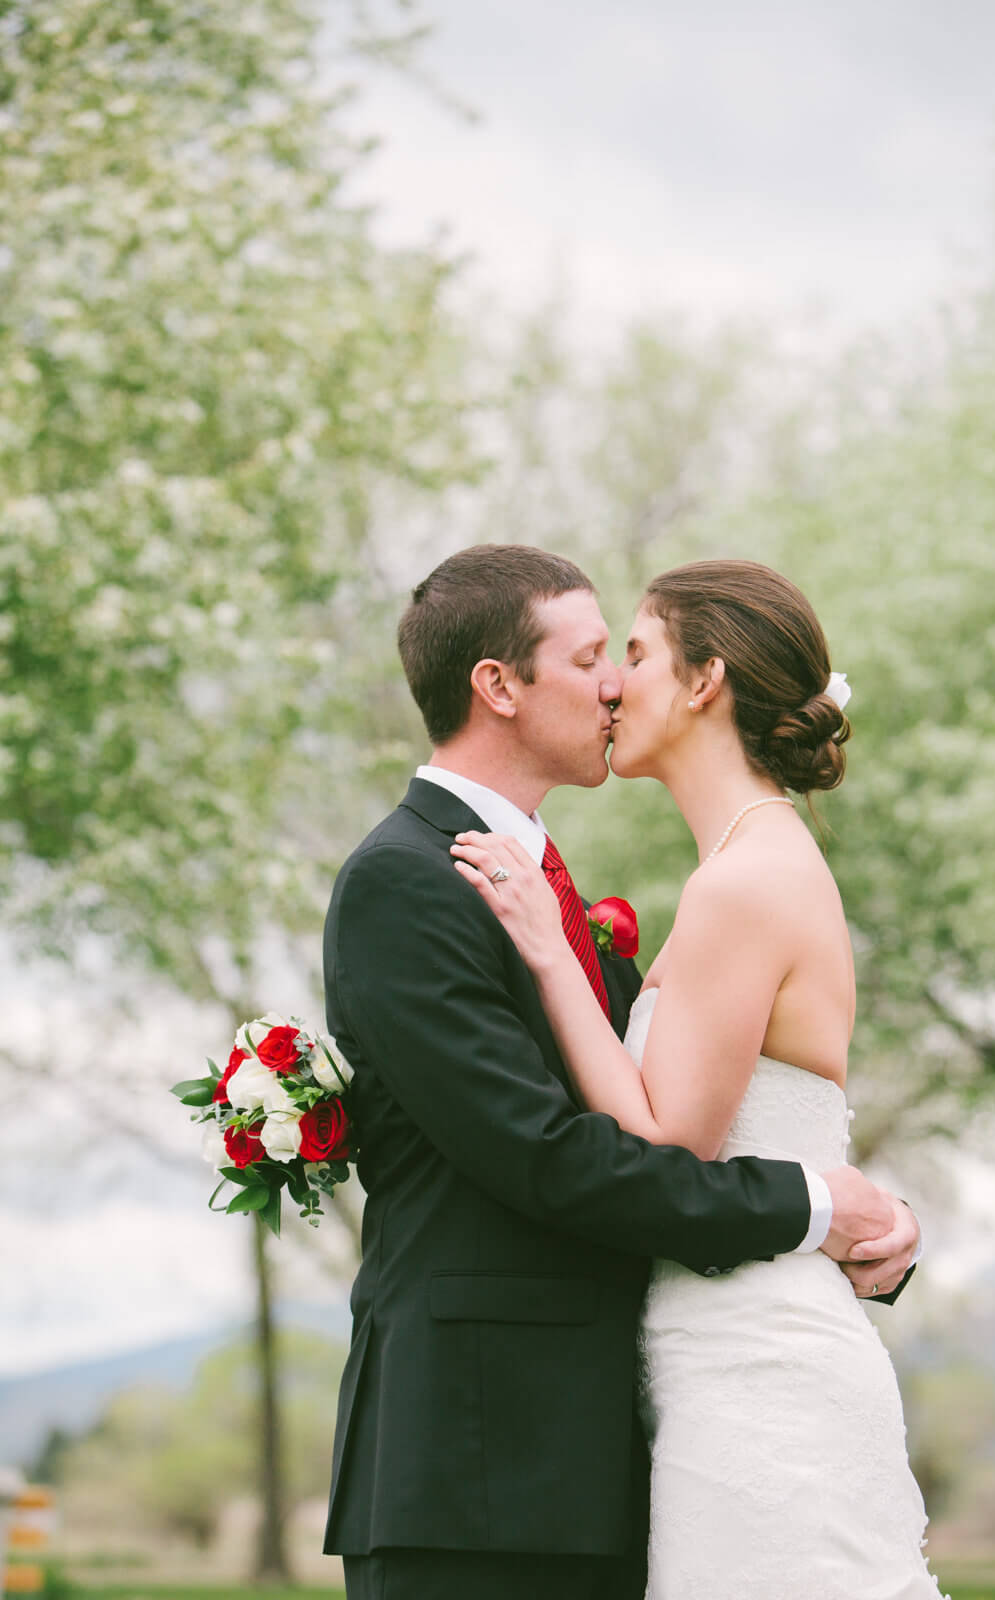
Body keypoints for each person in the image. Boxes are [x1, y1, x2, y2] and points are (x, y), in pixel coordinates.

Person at [322, 544, 921, 1600]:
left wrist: (862, 1217)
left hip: (613, 1453)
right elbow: (550, 1157)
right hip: (474, 1465)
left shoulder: (562, 888)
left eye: (626, 653)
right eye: (595, 655)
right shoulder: (405, 883)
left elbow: (720, 1101)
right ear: (497, 685)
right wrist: (811, 1203)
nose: (610, 683)